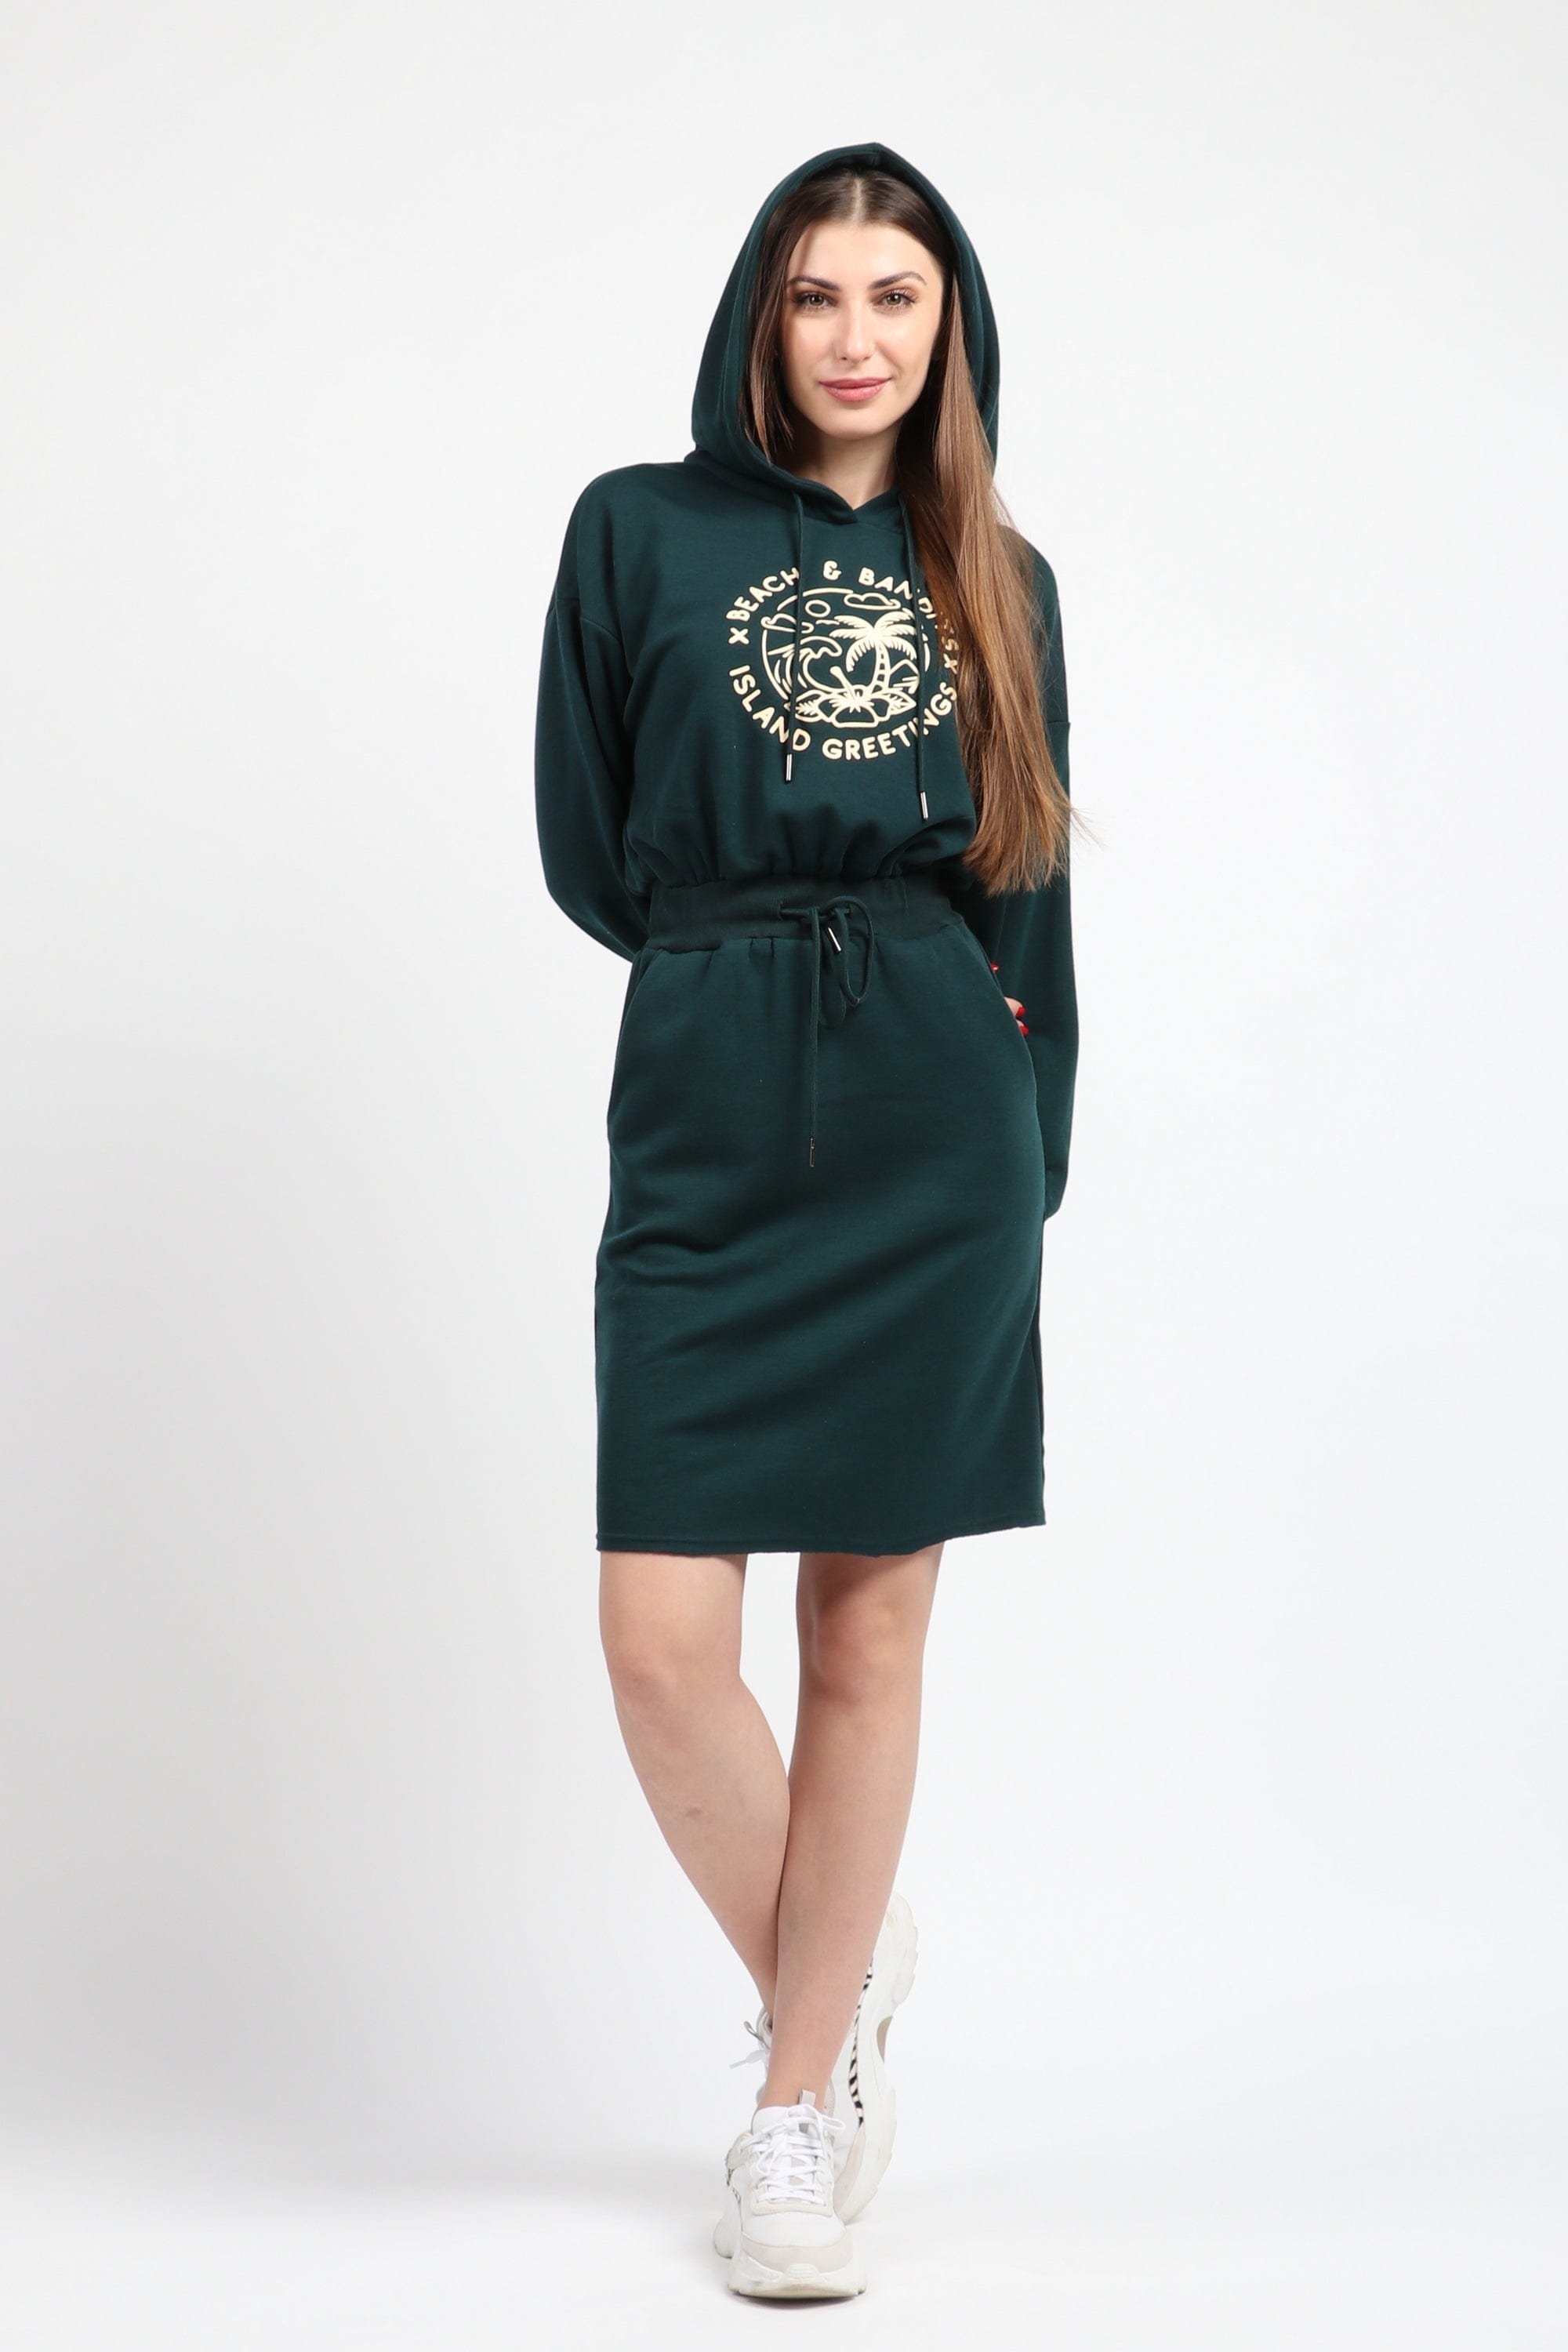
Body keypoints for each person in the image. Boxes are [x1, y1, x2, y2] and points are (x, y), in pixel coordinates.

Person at [533, 139, 1081, 2299]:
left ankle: (791, 2113)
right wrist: (739, 974)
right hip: (710, 1089)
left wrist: (1030, 1161)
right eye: (818, 294)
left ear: (951, 331)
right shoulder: (635, 529)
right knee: (660, 1641)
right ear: (762, 315)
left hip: (938, 1120)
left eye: (897, 298)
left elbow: (1027, 893)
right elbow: (593, 847)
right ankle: (836, 1961)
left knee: (866, 1633)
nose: (857, 338)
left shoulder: (999, 576)